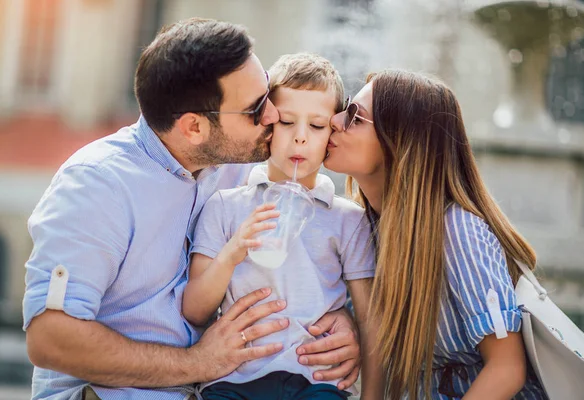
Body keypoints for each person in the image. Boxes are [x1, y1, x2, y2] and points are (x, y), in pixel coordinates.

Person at [23, 19, 360, 400]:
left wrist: (340, 318)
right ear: (194, 128)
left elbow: (313, 249)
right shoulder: (98, 185)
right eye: (255, 109)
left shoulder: (238, 164)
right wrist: (198, 363)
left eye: (268, 95)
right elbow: (50, 340)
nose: (271, 118)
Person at [324, 69, 548, 399]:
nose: (334, 120)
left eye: (355, 116)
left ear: (400, 142)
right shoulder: (360, 226)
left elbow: (507, 368)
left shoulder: (458, 231)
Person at [183, 53, 383, 400]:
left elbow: (370, 321)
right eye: (288, 122)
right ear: (268, 124)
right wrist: (233, 252)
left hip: (315, 380)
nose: (300, 138)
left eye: (317, 126)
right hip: (233, 380)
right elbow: (195, 310)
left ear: (332, 133)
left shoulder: (346, 219)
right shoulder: (226, 206)